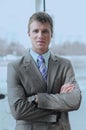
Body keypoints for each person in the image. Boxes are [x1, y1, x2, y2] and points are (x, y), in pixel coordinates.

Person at [7, 12, 81, 130]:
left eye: (45, 31)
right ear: (29, 34)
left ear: (51, 34)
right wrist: (59, 105)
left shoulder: (65, 65)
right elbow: (18, 110)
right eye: (36, 31)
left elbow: (74, 101)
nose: (40, 35)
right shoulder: (15, 67)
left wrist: (37, 99)